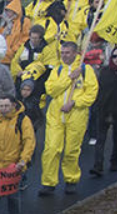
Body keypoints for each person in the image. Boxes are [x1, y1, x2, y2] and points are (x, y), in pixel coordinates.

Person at [40, 41, 97, 196]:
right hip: (56, 114)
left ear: (75, 53)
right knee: (51, 148)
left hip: (77, 115)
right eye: (62, 52)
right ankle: (48, 183)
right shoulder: (57, 70)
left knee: (71, 150)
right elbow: (51, 90)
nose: (64, 55)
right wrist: (69, 78)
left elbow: (92, 93)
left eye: (67, 53)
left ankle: (71, 180)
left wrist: (75, 103)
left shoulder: (86, 70)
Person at [89, 46, 117, 177]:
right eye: (114, 56)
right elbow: (98, 88)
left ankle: (114, 161)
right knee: (100, 139)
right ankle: (98, 165)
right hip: (104, 108)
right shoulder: (105, 71)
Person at [0, 0, 32, 65]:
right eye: (7, 11)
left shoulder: (25, 22)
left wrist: (13, 50)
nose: (7, 13)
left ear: (15, 11)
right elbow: (0, 38)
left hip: (16, 58)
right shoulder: (6, 23)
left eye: (9, 11)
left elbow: (26, 38)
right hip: (2, 58)